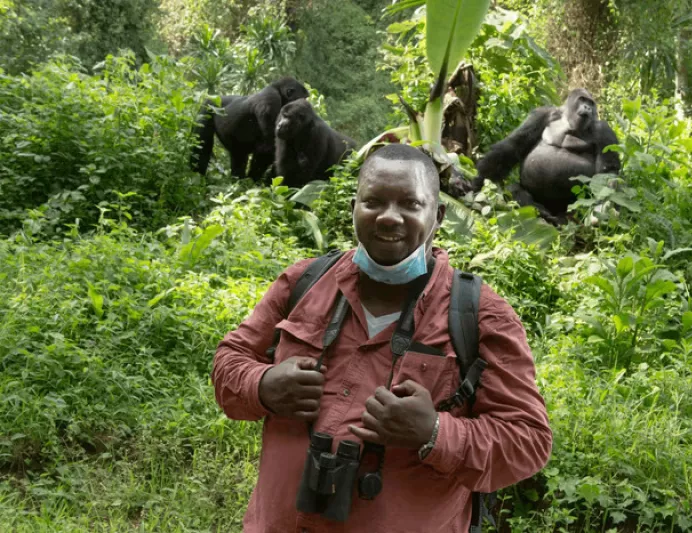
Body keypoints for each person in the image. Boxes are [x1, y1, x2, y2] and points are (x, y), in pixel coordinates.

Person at [212, 144, 552, 533]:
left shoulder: (480, 314)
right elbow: (229, 360)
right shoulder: (304, 283)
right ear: (354, 207)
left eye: (410, 204)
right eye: (373, 202)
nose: (389, 218)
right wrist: (263, 385)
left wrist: (435, 433)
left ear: (437, 216)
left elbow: (529, 440)